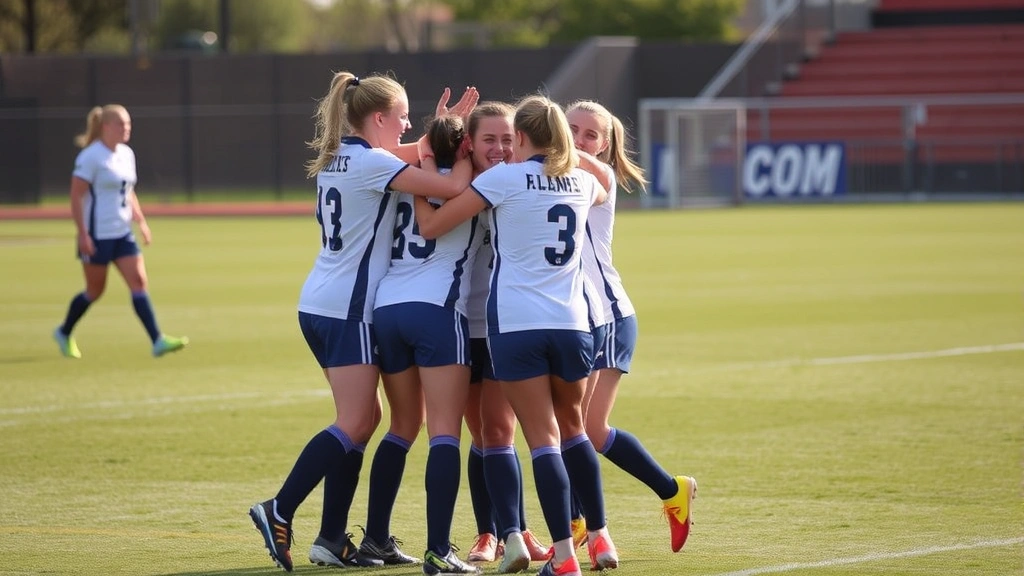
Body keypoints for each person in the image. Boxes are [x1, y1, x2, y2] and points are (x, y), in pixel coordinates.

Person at [247, 71, 474, 573]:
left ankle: (331, 539)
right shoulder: (373, 164)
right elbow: (452, 184)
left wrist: (443, 126)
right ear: (378, 118)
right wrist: (455, 145)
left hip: (320, 302)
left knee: (365, 420)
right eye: (402, 115)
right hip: (347, 307)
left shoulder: (346, 157)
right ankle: (279, 508)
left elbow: (416, 149)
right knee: (355, 420)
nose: (408, 123)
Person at [413, 94, 616, 576]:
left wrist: (432, 168)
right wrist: (574, 153)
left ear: (521, 137)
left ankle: (558, 556)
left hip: (518, 326)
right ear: (563, 135)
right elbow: (606, 183)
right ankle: (602, 539)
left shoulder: (503, 178)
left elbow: (435, 225)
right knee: (574, 431)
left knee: (535, 440)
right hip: (574, 326)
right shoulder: (584, 181)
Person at [566, 100, 697, 554]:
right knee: (583, 429)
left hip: (609, 316)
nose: (578, 140)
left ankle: (585, 522)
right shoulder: (556, 172)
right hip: (579, 318)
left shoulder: (595, 178)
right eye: (571, 130)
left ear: (604, 146)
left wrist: (552, 144)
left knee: (583, 429)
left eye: (589, 135)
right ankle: (662, 494)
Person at [456, 102, 550, 571]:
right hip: (454, 323)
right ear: (469, 142)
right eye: (489, 139)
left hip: (502, 324)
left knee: (499, 429)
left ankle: (510, 531)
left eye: (508, 139)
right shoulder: (453, 183)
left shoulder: (522, 184)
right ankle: (493, 530)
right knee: (481, 433)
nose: (500, 148)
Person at [53, 104, 188, 360]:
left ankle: (157, 341)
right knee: (94, 291)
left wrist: (141, 220)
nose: (127, 128)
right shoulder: (91, 157)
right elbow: (76, 195)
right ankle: (64, 331)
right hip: (97, 235)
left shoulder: (126, 153)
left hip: (122, 232)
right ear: (106, 127)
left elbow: (127, 190)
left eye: (128, 124)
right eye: (121, 124)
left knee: (138, 282)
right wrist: (83, 234)